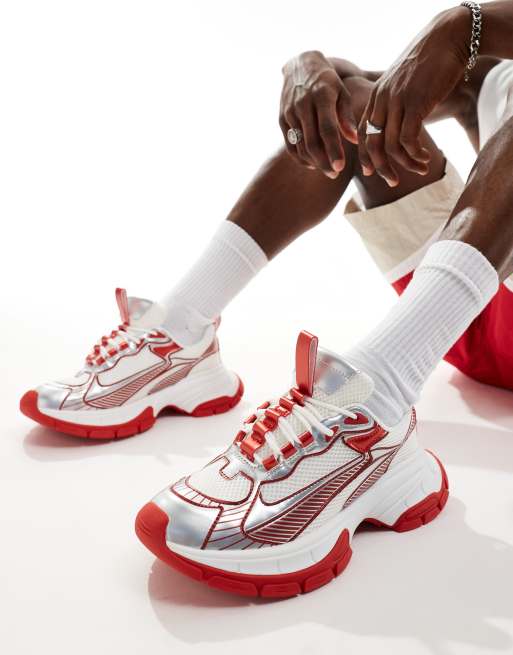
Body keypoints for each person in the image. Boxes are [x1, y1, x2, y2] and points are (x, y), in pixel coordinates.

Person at [20, 2, 513, 596]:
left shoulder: (473, 29)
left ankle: (374, 400)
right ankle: (183, 333)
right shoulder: (492, 64)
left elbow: (463, 32)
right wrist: (306, 65)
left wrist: (459, 24)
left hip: (460, 315)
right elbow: (382, 83)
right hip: (460, 317)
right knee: (352, 111)